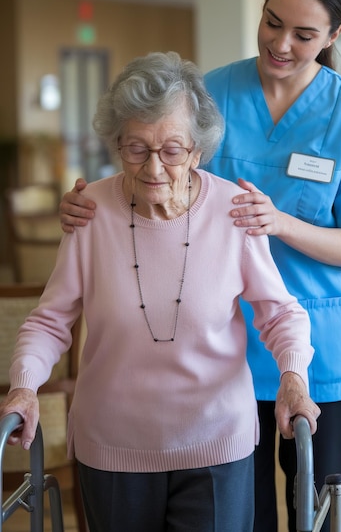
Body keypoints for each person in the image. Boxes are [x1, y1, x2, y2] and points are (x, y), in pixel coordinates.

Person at [59, 0, 341, 532]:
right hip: (221, 346)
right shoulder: (210, 93)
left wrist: (280, 222)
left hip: (318, 348)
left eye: (304, 34)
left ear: (333, 37)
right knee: (242, 513)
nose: (282, 44)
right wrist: (86, 203)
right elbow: (152, 176)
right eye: (273, 22)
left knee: (313, 510)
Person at [0, 52, 319, 532]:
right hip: (112, 446)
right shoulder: (88, 213)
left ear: (196, 150)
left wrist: (293, 376)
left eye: (171, 150)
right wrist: (24, 386)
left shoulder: (235, 212)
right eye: (136, 148)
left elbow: (280, 314)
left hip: (215, 442)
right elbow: (51, 320)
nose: (153, 167)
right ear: (116, 145)